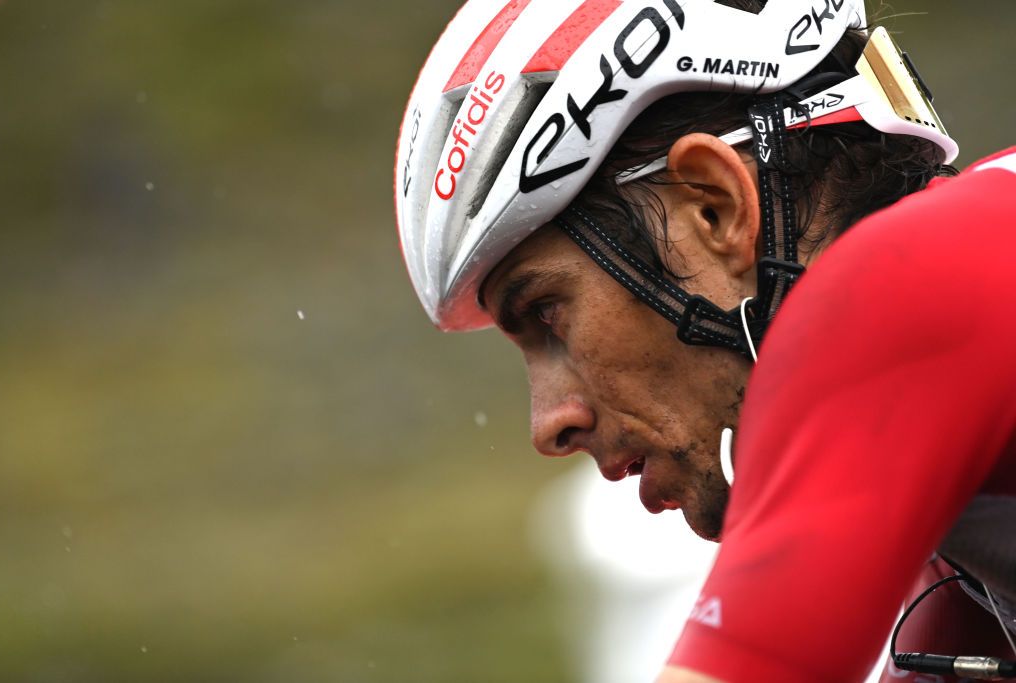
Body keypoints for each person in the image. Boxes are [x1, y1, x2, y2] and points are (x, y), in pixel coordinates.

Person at [393, 1, 1016, 681]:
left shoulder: (902, 289)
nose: (549, 424)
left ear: (714, 205)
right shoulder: (970, 551)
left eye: (546, 313)